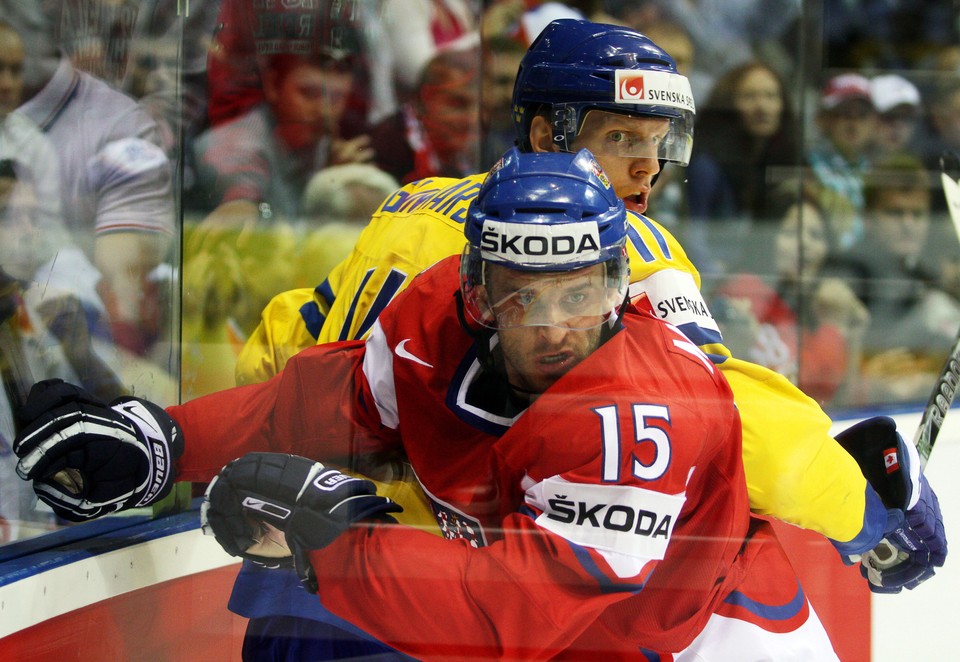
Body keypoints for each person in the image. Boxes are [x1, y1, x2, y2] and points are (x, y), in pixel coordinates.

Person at [225, 18, 946, 655]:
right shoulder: (608, 245)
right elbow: (731, 427)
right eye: (622, 137)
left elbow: (280, 351)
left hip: (295, 595)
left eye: (660, 143)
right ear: (548, 134)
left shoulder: (409, 207)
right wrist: (866, 510)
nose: (647, 168)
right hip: (431, 603)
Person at [14, 149, 854, 658]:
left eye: (583, 293)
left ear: (621, 288)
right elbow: (324, 404)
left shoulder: (636, 416)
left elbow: (504, 618)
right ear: (474, 289)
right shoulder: (429, 317)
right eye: (523, 295)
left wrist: (335, 545)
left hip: (703, 637)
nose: (557, 327)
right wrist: (162, 439)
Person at [710, 181, 869, 406]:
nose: (805, 244)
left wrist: (852, 331)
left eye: (816, 235)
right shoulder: (744, 292)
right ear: (768, 239)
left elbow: (851, 402)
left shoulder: (825, 305)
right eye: (791, 232)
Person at [825, 152, 960, 405]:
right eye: (895, 213)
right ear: (868, 217)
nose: (908, 224)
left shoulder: (930, 281)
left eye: (917, 214)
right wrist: (865, 374)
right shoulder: (841, 276)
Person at [806, 72, 878, 251]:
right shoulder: (807, 166)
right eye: (844, 114)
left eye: (861, 115)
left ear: (873, 122)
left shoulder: (875, 170)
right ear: (823, 119)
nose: (853, 123)